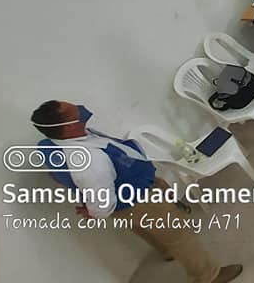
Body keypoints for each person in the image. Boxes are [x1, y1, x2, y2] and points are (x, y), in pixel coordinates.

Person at [29, 101, 243, 283]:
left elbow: (57, 173)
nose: (80, 107)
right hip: (139, 200)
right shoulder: (88, 162)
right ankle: (208, 276)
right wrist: (95, 210)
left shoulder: (51, 144)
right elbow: (100, 197)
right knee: (180, 236)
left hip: (129, 196)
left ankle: (167, 251)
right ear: (68, 127)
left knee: (148, 229)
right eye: (74, 110)